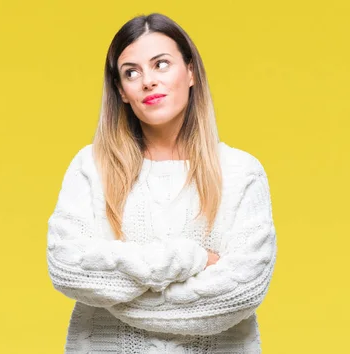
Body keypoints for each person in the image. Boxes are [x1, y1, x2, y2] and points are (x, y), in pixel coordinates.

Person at [46, 13, 277, 353]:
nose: (147, 81)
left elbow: (240, 293)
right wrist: (193, 258)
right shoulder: (92, 166)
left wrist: (115, 296)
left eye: (161, 64)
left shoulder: (241, 172)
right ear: (122, 92)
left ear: (191, 72)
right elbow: (67, 267)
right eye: (131, 72)